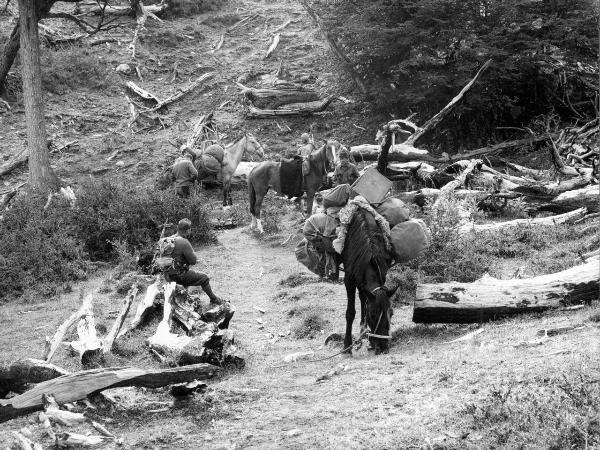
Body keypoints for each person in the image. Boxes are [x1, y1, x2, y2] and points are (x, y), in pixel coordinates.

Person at [164, 218, 223, 304]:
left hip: (167, 276)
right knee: (204, 278)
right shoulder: (184, 242)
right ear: (188, 230)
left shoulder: (169, 239)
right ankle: (214, 299)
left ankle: (184, 299)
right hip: (178, 276)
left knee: (189, 276)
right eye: (190, 229)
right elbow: (193, 261)